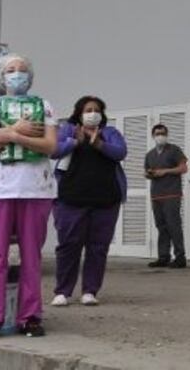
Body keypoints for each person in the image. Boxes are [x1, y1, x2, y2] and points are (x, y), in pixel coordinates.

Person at [0, 53, 58, 341]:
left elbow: (49, 146)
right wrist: (12, 131)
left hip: (35, 189)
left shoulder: (43, 107)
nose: (17, 74)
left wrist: (16, 137)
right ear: (1, 76)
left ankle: (30, 316)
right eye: (10, 70)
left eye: (22, 70)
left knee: (32, 256)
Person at [50, 95, 128, 307]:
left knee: (98, 247)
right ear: (79, 113)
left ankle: (90, 291)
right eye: (88, 110)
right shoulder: (68, 130)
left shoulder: (109, 133)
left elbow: (121, 152)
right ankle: (63, 292)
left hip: (105, 200)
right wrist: (76, 141)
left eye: (96, 110)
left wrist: (99, 143)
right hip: (70, 199)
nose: (92, 113)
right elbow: (54, 151)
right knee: (68, 245)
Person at [144, 123, 189, 268]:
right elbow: (147, 172)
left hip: (172, 194)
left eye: (163, 133)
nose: (160, 136)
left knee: (174, 225)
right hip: (156, 195)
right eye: (157, 133)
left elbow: (184, 168)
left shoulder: (174, 150)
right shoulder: (149, 155)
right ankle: (163, 257)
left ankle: (180, 258)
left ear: (167, 135)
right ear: (153, 136)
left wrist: (165, 171)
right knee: (161, 226)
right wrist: (149, 174)